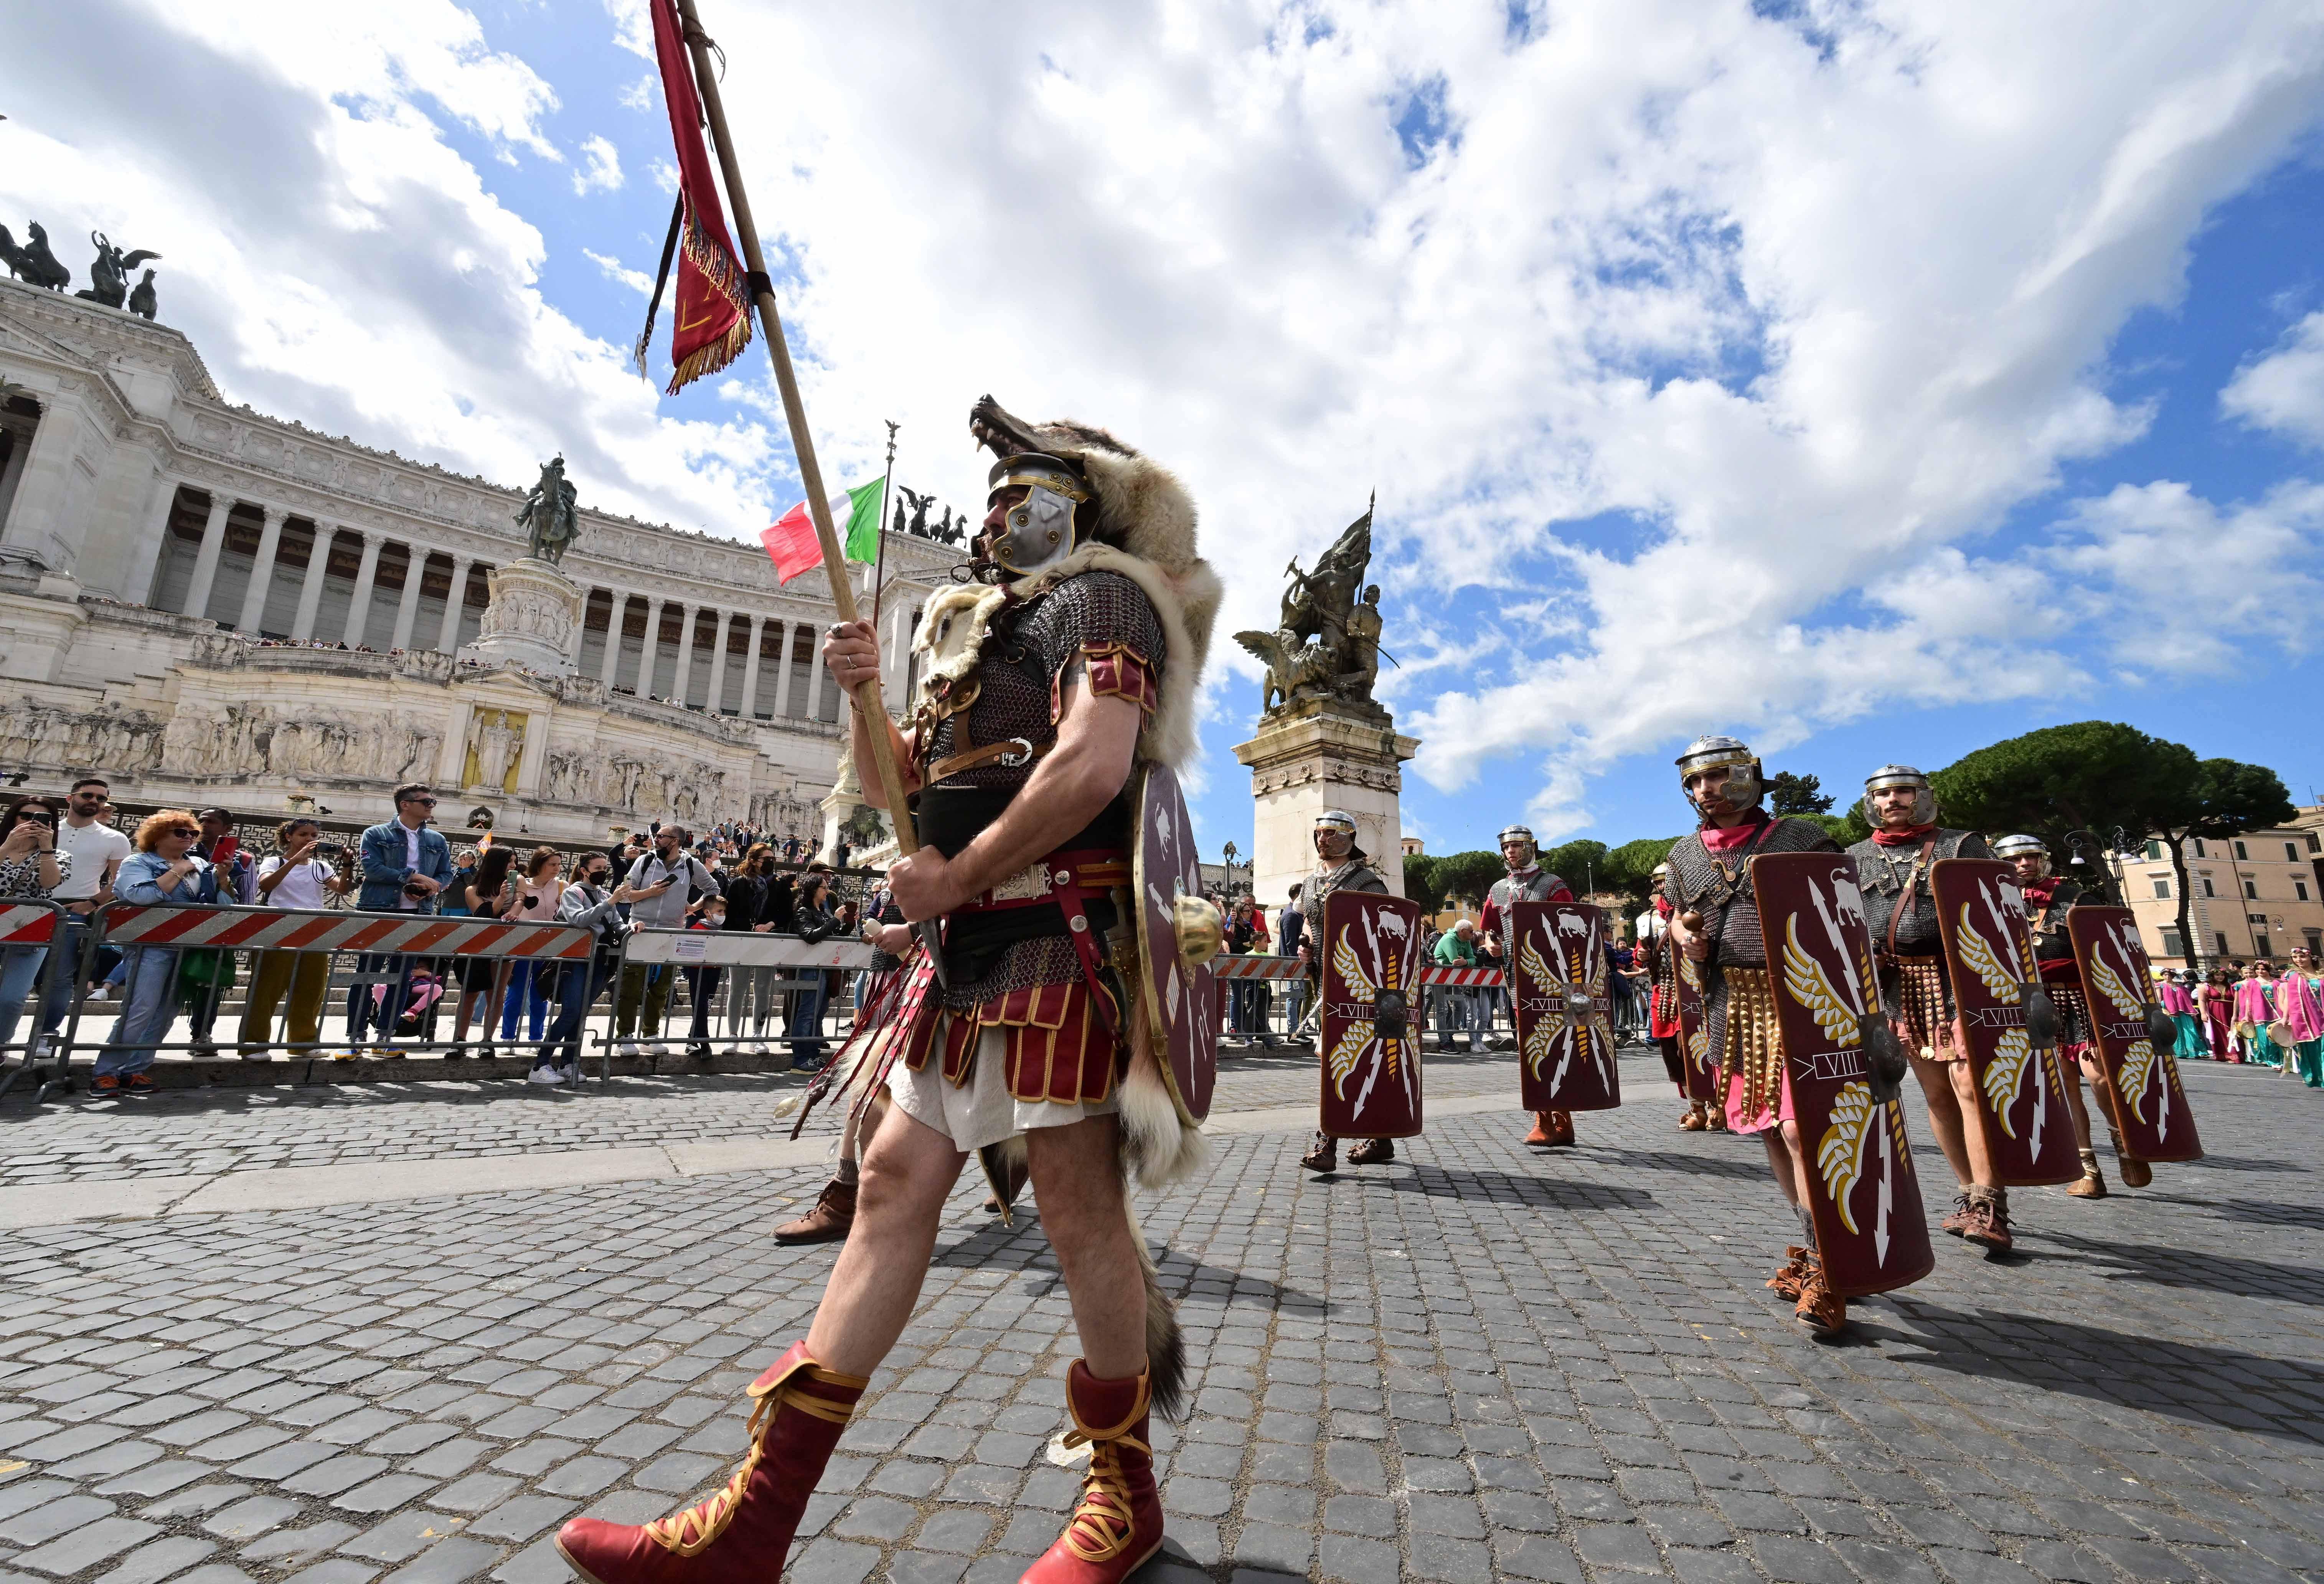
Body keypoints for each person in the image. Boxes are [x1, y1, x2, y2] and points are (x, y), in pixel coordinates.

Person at [556, 403, 1217, 1584]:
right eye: (997, 493)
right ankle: (755, 1519)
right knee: (893, 1183)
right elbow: (892, 789)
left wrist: (955, 874)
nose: (1004, 509)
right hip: (959, 954)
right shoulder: (968, 633)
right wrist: (860, 694)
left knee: (1076, 1207)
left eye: (1033, 491)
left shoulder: (1105, 601)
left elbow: (1094, 762)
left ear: (1087, 504)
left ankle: (1127, 1495)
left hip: (1052, 939)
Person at [1661, 735, 1852, 1335]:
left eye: (1716, 777)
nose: (1704, 791)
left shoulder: (1799, 838)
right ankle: (1812, 1245)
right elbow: (1673, 913)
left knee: (1802, 1130)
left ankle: (1834, 1262)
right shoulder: (1686, 853)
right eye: (1694, 782)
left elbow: (1846, 912)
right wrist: (1681, 937)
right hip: (1731, 1003)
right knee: (1769, 1128)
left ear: (1747, 776)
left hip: (1804, 998)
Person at [1846, 767, 2007, 1245]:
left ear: (1922, 796)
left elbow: (1999, 913)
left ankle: (1989, 1203)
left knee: (1970, 1088)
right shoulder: (1854, 857)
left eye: (1902, 791)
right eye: (1882, 793)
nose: (1892, 800)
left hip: (1960, 980)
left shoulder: (1964, 846)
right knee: (1937, 1095)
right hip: (1900, 987)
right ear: (1871, 801)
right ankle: (1967, 1193)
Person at [1995, 833, 2149, 1198]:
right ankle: (2088, 1170)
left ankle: (2124, 1144)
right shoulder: (1997, 904)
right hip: (2034, 1004)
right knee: (2062, 1088)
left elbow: (2111, 948)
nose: (2023, 865)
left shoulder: (2075, 898)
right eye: (2015, 860)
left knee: (2098, 1078)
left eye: (2030, 857)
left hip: (2079, 999)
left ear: (2043, 859)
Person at [775, 890, 911, 1246]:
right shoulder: (890, 887)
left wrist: (914, 931)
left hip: (951, 979)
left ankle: (1013, 1168)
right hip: (903, 977)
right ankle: (853, 1193)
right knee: (872, 1079)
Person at [1298, 810, 1397, 1175]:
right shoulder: (1311, 884)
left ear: (1349, 839)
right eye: (1319, 833)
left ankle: (1327, 1143)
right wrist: (1306, 946)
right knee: (1341, 1060)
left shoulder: (1367, 882)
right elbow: (1312, 925)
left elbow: (1387, 935)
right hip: (1328, 984)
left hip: (1363, 987)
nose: (1323, 839)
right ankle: (1380, 1138)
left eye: (1331, 834)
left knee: (1346, 1061)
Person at [96, 810, 217, 1094]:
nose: (188, 838)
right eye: (180, 832)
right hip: (149, 946)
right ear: (158, 835)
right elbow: (141, 896)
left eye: (193, 834)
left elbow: (216, 901)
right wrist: (178, 871)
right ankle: (106, 1073)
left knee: (167, 1012)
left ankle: (135, 1070)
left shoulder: (199, 863)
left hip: (188, 948)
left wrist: (221, 875)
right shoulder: (138, 862)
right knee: (141, 1009)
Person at [1476, 823, 1577, 1146]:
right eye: (1506, 847)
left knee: (1557, 1045)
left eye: (1517, 846)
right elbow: (1490, 929)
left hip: (1554, 979)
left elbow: (1572, 930)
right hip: (1517, 979)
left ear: (1531, 847)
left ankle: (1561, 1120)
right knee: (1530, 1047)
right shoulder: (1498, 890)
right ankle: (1544, 1118)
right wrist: (1492, 944)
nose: (1511, 852)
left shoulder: (1553, 886)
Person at [352, 784, 452, 1051]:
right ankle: (356, 1036)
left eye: (433, 801)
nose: (431, 805)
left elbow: (446, 875)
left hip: (417, 914)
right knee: (366, 975)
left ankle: (385, 1036)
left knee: (402, 977)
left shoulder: (437, 840)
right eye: (426, 801)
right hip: (378, 910)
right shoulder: (375, 834)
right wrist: (414, 877)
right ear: (405, 804)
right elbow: (372, 869)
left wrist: (431, 888)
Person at [240, 818, 351, 1058]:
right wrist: (294, 861)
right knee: (266, 989)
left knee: (311, 989)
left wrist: (347, 865)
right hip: (278, 928)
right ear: (289, 837)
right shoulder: (274, 861)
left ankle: (303, 1042)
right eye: (304, 835)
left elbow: (342, 890)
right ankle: (254, 1043)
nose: (310, 840)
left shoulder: (321, 867)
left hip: (314, 929)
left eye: (314, 835)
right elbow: (267, 884)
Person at [38, 777, 130, 1052]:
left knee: (59, 976)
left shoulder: (114, 838)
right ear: (70, 798)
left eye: (101, 799)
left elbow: (120, 880)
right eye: (88, 796)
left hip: (74, 912)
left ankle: (46, 1034)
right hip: (30, 907)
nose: (94, 802)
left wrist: (91, 903)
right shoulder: (45, 830)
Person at [616, 825, 720, 1057]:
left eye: (661, 837)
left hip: (671, 931)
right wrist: (649, 894)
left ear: (675, 841)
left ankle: (650, 1034)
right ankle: (624, 1035)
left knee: (661, 987)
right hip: (639, 928)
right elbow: (625, 893)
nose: (657, 840)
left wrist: (694, 907)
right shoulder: (644, 861)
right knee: (631, 985)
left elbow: (712, 888)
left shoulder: (691, 864)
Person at [538, 852, 635, 1084]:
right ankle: (540, 1063)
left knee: (581, 1012)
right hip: (577, 960)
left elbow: (616, 923)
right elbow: (578, 920)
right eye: (598, 867)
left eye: (605, 867)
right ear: (584, 870)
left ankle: (568, 1062)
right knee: (571, 1011)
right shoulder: (574, 892)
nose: (603, 871)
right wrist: (610, 902)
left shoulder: (603, 894)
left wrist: (632, 926)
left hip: (601, 959)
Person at [0, 797, 69, 1055]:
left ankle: (1, 1044)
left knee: (11, 998)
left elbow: (49, 883)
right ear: (13, 818)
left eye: (41, 818)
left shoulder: (60, 855)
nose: (31, 822)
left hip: (30, 933)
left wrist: (46, 849)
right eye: (25, 816)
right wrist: (8, 846)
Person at [447, 845, 517, 1059]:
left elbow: (522, 903)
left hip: (505, 945)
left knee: (496, 994)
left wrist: (515, 902)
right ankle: (459, 1040)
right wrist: (501, 898)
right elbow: (487, 915)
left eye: (515, 862)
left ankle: (487, 1040)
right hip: (477, 946)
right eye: (510, 862)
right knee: (469, 995)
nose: (514, 866)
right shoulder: (473, 890)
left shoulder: (517, 884)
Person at [785, 873, 840, 1070]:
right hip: (810, 967)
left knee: (819, 1013)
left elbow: (834, 935)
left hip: (825, 967)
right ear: (813, 890)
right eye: (824, 888)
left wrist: (848, 922)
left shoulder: (823, 911)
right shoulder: (803, 910)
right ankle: (800, 1058)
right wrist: (835, 920)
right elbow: (810, 936)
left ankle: (813, 1054)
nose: (828, 891)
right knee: (808, 1012)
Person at [1432, 918, 1482, 1053]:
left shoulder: (1466, 942)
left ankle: (1449, 1035)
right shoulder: (1449, 939)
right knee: (1443, 1010)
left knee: (1461, 1007)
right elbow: (1454, 960)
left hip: (1454, 979)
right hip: (1438, 978)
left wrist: (1466, 961)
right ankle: (1444, 1042)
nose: (1473, 934)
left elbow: (1473, 959)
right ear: (1463, 931)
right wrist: (1467, 961)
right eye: (1471, 932)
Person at [2275, 949, 2323, 1087]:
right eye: (2295, 957)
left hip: (2322, 1016)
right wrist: (2285, 1017)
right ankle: (2318, 1078)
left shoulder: (2322, 975)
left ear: (2311, 958)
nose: (2298, 960)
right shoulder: (2294, 977)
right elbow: (2290, 999)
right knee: (2313, 1049)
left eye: (2302, 957)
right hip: (2306, 1018)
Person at [2234, 960, 2281, 1069]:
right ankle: (2270, 1060)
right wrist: (2246, 1015)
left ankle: (2278, 1059)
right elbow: (2247, 1000)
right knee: (2265, 1039)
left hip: (2277, 1012)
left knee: (2277, 1037)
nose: (2260, 971)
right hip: (2260, 1013)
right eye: (2258, 969)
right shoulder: (2251, 983)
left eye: (2263, 969)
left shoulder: (2277, 983)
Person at [1277, 883, 1308, 1036]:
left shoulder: (1294, 914)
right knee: (1294, 997)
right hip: (1293, 964)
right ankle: (1293, 1030)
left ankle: (1296, 1029)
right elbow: (1290, 942)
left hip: (1296, 964)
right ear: (1297, 895)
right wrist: (1296, 964)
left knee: (1296, 996)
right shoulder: (1290, 915)